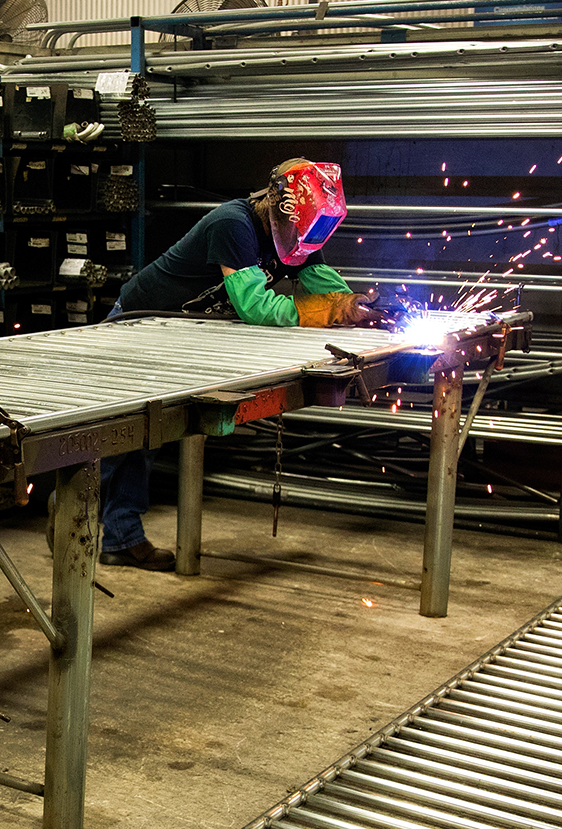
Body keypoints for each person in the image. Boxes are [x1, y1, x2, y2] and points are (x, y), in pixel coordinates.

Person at [98, 158, 384, 570]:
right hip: (136, 326)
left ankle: (121, 538)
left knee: (147, 438)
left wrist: (353, 306)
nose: (305, 244)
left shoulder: (300, 233)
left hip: (177, 336)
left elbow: (327, 287)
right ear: (278, 205)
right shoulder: (233, 224)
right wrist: (324, 312)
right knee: (115, 434)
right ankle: (74, 507)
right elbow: (255, 305)